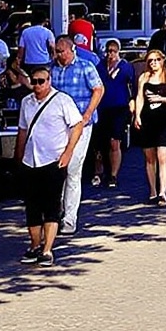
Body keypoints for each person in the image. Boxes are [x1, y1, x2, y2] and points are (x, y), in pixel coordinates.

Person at [10, 66, 85, 263]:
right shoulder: (27, 102)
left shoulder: (62, 100)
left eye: (41, 81)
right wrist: (18, 156)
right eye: (33, 81)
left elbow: (77, 125)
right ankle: (34, 245)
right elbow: (23, 130)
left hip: (53, 159)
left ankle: (47, 249)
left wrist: (68, 152)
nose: (37, 86)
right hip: (30, 160)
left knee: (51, 205)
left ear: (49, 81)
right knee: (32, 206)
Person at [45, 38, 103, 233]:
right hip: (57, 126)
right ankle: (56, 213)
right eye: (56, 51)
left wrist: (87, 114)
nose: (58, 55)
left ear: (71, 50)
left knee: (73, 169)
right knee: (56, 169)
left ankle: (70, 219)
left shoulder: (85, 66)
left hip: (80, 125)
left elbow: (98, 89)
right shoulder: (51, 69)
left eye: (61, 51)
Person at [129, 48, 166, 206]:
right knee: (149, 157)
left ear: (162, 60)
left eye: (156, 60)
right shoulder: (144, 77)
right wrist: (137, 115)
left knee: (163, 156)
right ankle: (153, 190)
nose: (153, 63)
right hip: (148, 119)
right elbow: (139, 97)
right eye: (150, 61)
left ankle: (163, 193)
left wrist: (161, 98)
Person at [93, 41, 138, 194]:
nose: (110, 54)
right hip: (102, 108)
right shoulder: (100, 66)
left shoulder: (125, 67)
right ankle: (98, 172)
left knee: (115, 141)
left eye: (113, 51)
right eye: (108, 51)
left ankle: (113, 175)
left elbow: (133, 87)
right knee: (99, 143)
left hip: (119, 108)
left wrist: (133, 105)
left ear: (118, 52)